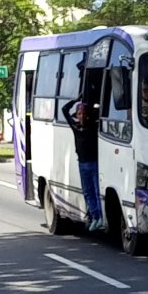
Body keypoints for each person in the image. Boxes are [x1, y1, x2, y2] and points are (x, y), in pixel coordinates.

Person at [62, 96, 103, 231]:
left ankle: (100, 217)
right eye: (79, 114)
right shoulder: (76, 127)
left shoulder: (93, 127)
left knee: (97, 191)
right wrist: (75, 100)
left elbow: (99, 112)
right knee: (88, 192)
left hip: (94, 163)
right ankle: (95, 217)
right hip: (82, 164)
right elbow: (64, 109)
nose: (81, 116)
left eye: (84, 114)